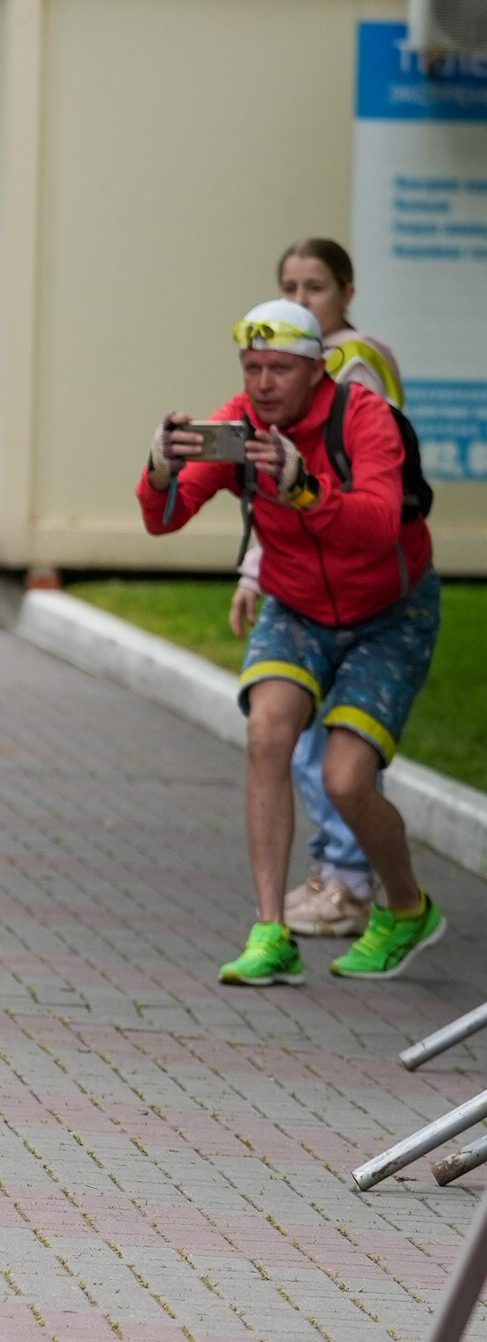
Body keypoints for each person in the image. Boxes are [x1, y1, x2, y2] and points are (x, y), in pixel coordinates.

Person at [140, 298, 444, 987]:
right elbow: (166, 516)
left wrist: (303, 488)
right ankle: (271, 930)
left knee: (344, 778)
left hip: (390, 611)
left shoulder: (364, 419)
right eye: (252, 368)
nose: (263, 384)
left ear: (316, 369)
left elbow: (374, 525)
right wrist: (159, 468)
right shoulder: (240, 425)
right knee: (267, 735)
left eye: (280, 368)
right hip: (298, 605)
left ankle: (407, 908)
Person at [232, 237, 406, 942]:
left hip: (366, 585)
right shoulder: (287, 372)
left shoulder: (353, 370)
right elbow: (270, 490)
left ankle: (351, 881)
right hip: (306, 579)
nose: (300, 300)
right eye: (290, 286)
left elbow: (348, 493)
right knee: (289, 738)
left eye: (316, 288)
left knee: (341, 757)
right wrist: (254, 569)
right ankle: (337, 879)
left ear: (347, 293)